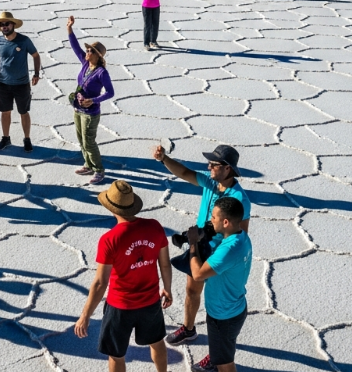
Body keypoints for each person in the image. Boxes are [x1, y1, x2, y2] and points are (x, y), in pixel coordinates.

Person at [151, 144, 251, 348]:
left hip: (219, 256)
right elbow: (185, 172)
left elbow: (242, 233)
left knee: (218, 304)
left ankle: (219, 352)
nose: (209, 167)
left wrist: (222, 256)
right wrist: (164, 159)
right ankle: (188, 329)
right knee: (191, 290)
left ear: (227, 168)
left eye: (213, 164)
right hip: (198, 247)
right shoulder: (210, 182)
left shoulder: (240, 199)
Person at [75, 180, 173, 372]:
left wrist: (85, 315)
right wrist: (167, 289)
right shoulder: (154, 227)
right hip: (150, 301)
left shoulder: (109, 240)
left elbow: (100, 283)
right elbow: (164, 263)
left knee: (117, 354)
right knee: (157, 342)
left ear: (111, 208)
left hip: (120, 306)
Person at [186, 197, 252, 372]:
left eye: (214, 217)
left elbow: (198, 274)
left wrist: (193, 243)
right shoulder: (241, 236)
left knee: (225, 364)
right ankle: (215, 357)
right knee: (221, 355)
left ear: (226, 222)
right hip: (231, 309)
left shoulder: (229, 249)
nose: (210, 220)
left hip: (224, 317)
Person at [65, 16, 115, 185]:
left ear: (98, 55)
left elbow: (110, 92)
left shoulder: (102, 73)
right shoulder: (85, 64)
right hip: (78, 109)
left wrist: (93, 100)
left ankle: (99, 170)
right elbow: (74, 46)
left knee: (89, 141)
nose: (86, 52)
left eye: (90, 51)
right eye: (87, 50)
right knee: (81, 139)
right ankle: (88, 164)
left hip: (91, 113)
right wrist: (70, 29)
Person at [0, 11, 41, 152]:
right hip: (4, 83)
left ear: (13, 25)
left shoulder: (24, 40)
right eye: (2, 24)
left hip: (22, 84)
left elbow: (36, 56)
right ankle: (6, 138)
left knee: (23, 112)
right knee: (5, 112)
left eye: (7, 23)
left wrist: (36, 74)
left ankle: (27, 139)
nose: (4, 26)